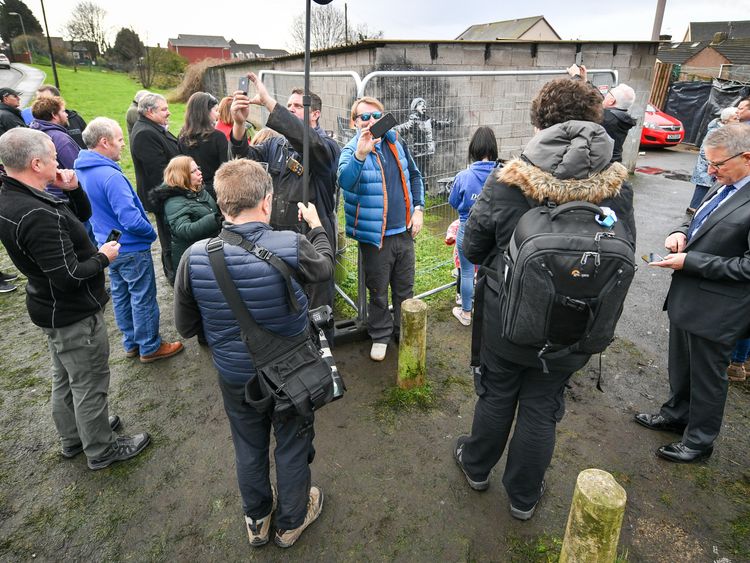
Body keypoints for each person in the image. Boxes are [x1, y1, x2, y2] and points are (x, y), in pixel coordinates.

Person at [454, 78, 635, 519]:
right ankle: (523, 496)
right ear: (596, 119)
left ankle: (476, 468)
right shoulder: (616, 187)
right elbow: (624, 249)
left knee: (497, 394)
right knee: (543, 405)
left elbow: (473, 248)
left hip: (507, 319)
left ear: (539, 120)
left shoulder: (509, 180)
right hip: (577, 323)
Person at [174, 159, 333, 548]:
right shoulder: (291, 244)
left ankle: (257, 520)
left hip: (235, 374)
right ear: (267, 201)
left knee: (248, 444)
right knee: (293, 441)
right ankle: (292, 521)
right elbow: (325, 269)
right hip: (290, 370)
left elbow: (186, 326)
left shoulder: (193, 257)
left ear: (221, 203)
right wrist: (316, 228)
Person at [0, 127, 151, 470]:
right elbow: (68, 277)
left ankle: (74, 436)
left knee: (65, 378)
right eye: (53, 155)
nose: (59, 160)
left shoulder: (18, 195)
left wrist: (74, 189)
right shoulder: (35, 213)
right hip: (71, 312)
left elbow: (76, 220)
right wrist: (103, 258)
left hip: (50, 308)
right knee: (88, 382)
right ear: (36, 163)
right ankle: (101, 448)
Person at [636, 123, 750, 463]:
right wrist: (679, 232)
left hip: (719, 309)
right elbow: (701, 222)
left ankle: (699, 442)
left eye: (718, 165)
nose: (710, 172)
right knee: (682, 366)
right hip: (688, 297)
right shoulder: (725, 185)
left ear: (747, 157)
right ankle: (675, 415)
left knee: (708, 378)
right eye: (709, 164)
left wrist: (693, 261)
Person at [229, 73, 340, 316]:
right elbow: (243, 162)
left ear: (315, 113)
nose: (291, 109)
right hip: (279, 237)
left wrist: (270, 104)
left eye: (298, 106)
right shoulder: (275, 145)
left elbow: (309, 143)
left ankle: (322, 351)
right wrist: (238, 125)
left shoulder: (327, 146)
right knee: (286, 300)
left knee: (318, 307)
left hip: (313, 238)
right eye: (288, 105)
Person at [75, 117, 184, 363]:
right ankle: (150, 346)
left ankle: (132, 342)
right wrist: (150, 233)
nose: (123, 144)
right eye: (120, 139)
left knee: (122, 294)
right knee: (142, 297)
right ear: (104, 142)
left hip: (108, 246)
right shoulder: (110, 177)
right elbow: (131, 218)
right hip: (132, 247)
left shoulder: (83, 170)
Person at [338, 96, 425, 361]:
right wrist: (361, 155)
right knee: (377, 291)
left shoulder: (397, 143)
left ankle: (402, 331)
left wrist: (419, 208)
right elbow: (345, 181)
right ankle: (380, 334)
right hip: (376, 238)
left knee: (404, 288)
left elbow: (415, 175)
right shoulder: (351, 150)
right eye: (365, 117)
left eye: (377, 116)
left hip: (404, 232)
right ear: (355, 123)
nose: (372, 122)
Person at [448, 126, 498, 326]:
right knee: (492, 270)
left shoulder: (463, 176)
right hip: (494, 231)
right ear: (493, 148)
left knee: (467, 272)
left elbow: (453, 201)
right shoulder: (503, 174)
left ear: (473, 149)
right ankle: (490, 312)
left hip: (467, 228)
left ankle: (466, 314)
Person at [130, 93, 182, 283]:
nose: (168, 113)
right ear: (150, 112)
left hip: (168, 193)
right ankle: (172, 273)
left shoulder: (153, 128)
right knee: (168, 236)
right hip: (163, 195)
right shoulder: (145, 133)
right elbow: (159, 172)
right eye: (164, 109)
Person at [151, 155, 221, 271]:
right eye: (193, 171)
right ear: (181, 176)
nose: (199, 172)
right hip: (191, 260)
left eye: (198, 168)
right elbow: (183, 230)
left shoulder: (198, 190)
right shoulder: (174, 201)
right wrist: (214, 220)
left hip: (206, 252)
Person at [567, 65, 636, 164]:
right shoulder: (620, 117)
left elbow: (589, 101)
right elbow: (599, 100)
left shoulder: (606, 118)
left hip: (601, 168)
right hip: (612, 164)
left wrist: (576, 77)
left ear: (611, 101)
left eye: (609, 93)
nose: (605, 95)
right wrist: (585, 81)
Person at [687, 107, 739, 215]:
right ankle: (694, 211)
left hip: (714, 166)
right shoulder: (715, 132)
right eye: (735, 118)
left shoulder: (726, 130)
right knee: (702, 188)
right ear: (726, 120)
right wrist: (715, 163)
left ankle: (698, 210)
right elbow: (704, 151)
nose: (738, 120)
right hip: (708, 167)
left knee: (707, 189)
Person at [178, 92, 229, 200]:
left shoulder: (182, 137)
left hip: (192, 191)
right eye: (216, 110)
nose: (218, 115)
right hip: (216, 192)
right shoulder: (218, 137)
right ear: (205, 112)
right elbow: (226, 169)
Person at [30, 95, 81, 199]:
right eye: (63, 111)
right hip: (64, 197)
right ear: (54, 115)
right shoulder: (60, 139)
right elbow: (79, 170)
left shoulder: (31, 133)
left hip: (41, 194)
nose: (66, 114)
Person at [394, 97, 452, 190]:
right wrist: (393, 130)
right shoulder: (413, 120)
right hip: (419, 151)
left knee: (427, 171)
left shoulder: (428, 119)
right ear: (415, 107)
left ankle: (427, 190)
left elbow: (437, 124)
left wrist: (447, 123)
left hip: (429, 150)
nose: (424, 106)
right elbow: (404, 128)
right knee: (419, 171)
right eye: (421, 104)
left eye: (425, 105)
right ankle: (420, 189)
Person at [22, 84, 87, 149]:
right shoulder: (34, 124)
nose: (40, 103)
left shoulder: (75, 118)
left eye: (45, 100)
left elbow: (90, 142)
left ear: (57, 99)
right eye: (38, 100)